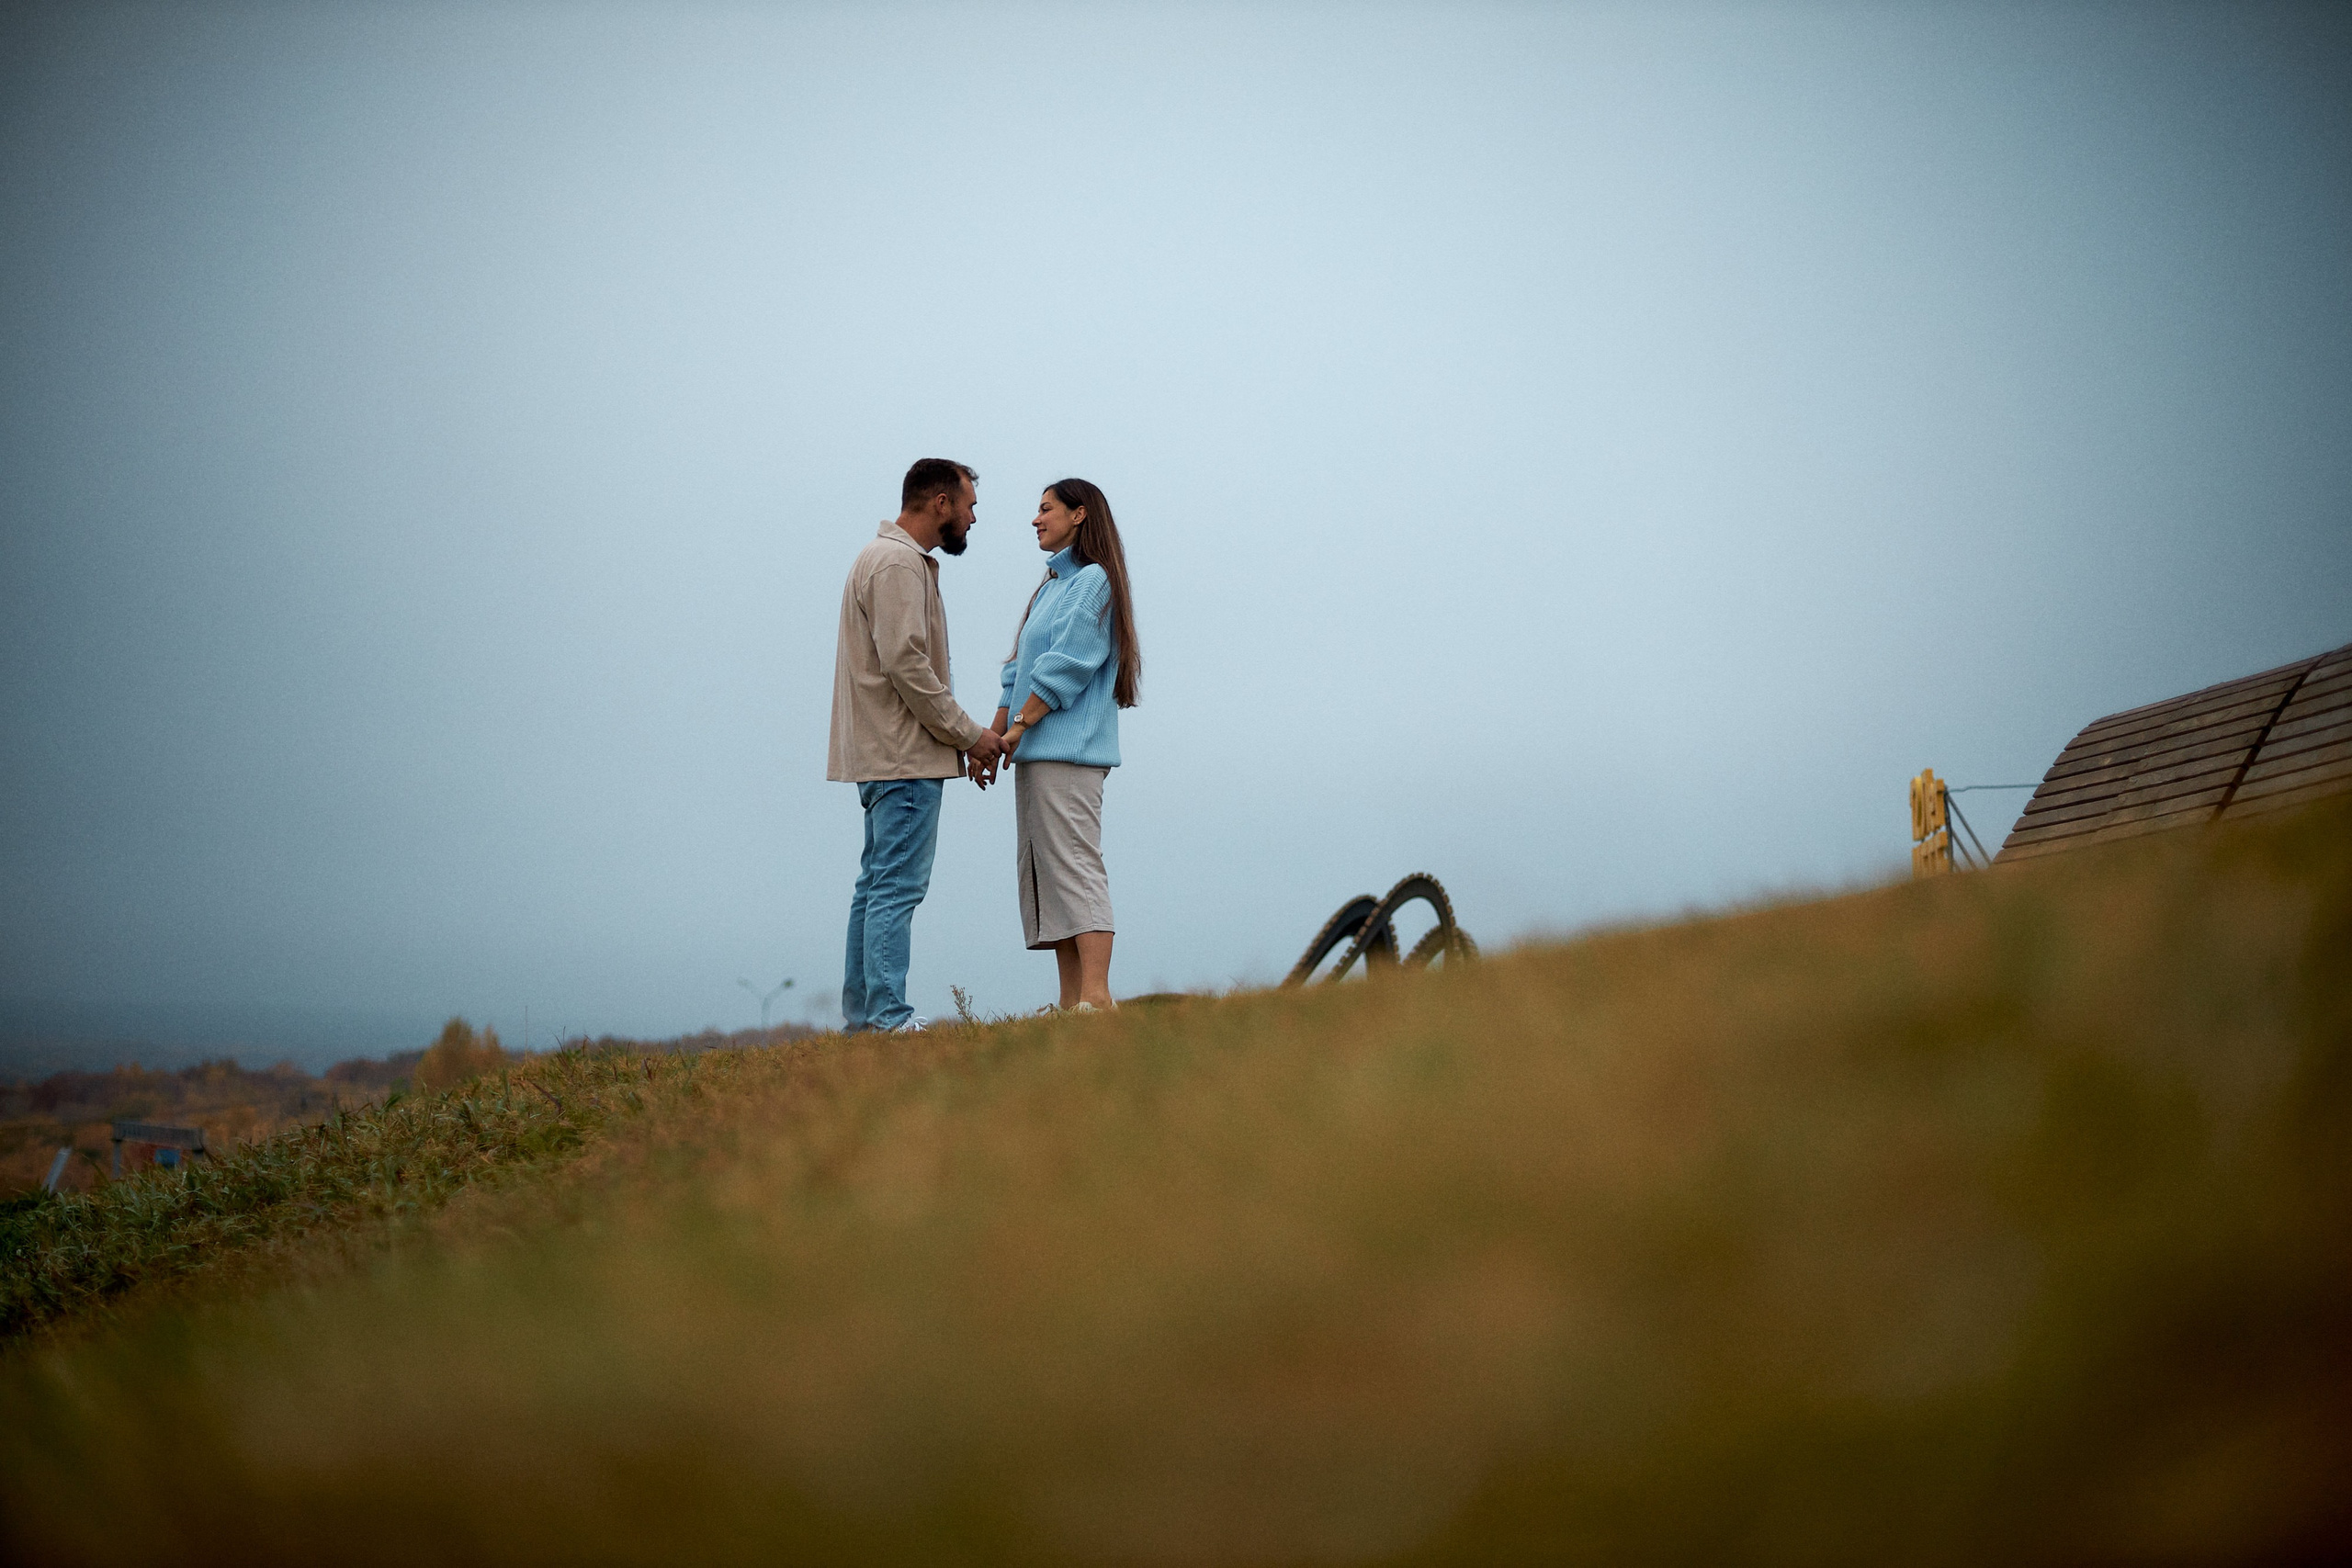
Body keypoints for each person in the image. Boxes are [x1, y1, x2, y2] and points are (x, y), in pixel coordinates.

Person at [828, 459, 1007, 1032]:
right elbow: (907, 664)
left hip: (885, 756)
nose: (974, 518)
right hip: (903, 758)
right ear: (940, 503)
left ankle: (864, 1020)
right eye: (970, 505)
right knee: (895, 889)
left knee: (876, 887)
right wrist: (971, 735)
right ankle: (885, 1019)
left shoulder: (885, 559)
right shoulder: (899, 563)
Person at [989, 478, 1143, 1012]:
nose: (1035, 519)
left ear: (1079, 515)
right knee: (1051, 876)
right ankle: (1071, 1000)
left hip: (1068, 754)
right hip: (1034, 752)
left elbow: (1067, 665)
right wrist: (996, 733)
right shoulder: (1051, 586)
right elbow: (1018, 669)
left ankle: (1097, 998)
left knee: (1076, 866)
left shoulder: (1094, 581)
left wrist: (1018, 728)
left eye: (1046, 508)